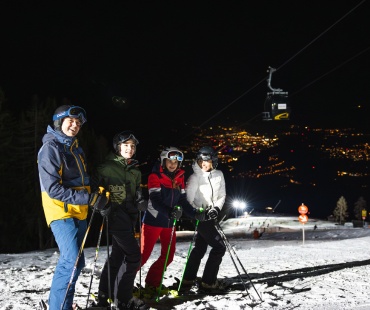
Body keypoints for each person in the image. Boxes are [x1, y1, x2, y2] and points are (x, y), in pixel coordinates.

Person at [38, 105, 108, 310]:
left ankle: (62, 305)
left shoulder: (75, 148)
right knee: (70, 261)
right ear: (59, 122)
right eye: (70, 121)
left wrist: (97, 193)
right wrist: (89, 198)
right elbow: (53, 189)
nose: (75, 125)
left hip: (79, 211)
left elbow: (82, 180)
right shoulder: (51, 148)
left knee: (77, 264)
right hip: (60, 211)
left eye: (78, 123)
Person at [92, 131, 148, 310]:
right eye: (126, 146)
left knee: (117, 256)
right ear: (118, 147)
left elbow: (137, 191)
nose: (130, 149)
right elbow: (94, 188)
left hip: (129, 216)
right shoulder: (106, 167)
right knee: (133, 256)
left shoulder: (135, 170)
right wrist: (99, 203)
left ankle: (105, 296)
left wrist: (140, 198)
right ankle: (123, 298)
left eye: (132, 146)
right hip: (115, 215)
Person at [140, 146, 204, 294]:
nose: (173, 164)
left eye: (176, 162)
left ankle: (152, 284)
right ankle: (122, 284)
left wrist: (194, 214)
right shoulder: (155, 176)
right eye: (170, 160)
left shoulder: (179, 177)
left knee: (168, 256)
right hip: (153, 221)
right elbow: (155, 200)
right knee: (142, 256)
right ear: (163, 160)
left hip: (169, 223)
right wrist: (169, 212)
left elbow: (182, 200)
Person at [182, 146, 227, 290]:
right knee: (219, 247)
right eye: (201, 160)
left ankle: (188, 278)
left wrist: (216, 209)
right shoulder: (194, 178)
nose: (204, 164)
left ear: (213, 160)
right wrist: (197, 212)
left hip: (211, 215)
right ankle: (208, 281)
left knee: (200, 248)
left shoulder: (219, 174)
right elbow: (187, 200)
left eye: (207, 161)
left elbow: (222, 195)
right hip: (200, 216)